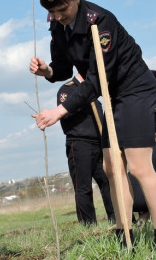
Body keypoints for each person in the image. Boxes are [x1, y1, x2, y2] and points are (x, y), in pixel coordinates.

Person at [30, 0, 156, 253]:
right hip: (113, 94)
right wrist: (46, 71)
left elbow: (96, 80)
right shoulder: (58, 26)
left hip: (134, 88)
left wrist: (60, 111)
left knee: (137, 163)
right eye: (52, 12)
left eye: (63, 10)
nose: (58, 17)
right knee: (111, 166)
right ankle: (125, 235)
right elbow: (62, 68)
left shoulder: (100, 22)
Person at [57, 73, 115, 225]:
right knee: (83, 187)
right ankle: (89, 225)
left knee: (108, 182)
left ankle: (116, 219)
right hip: (79, 143)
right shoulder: (67, 89)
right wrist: (82, 97)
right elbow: (65, 115)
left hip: (99, 144)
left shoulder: (93, 90)